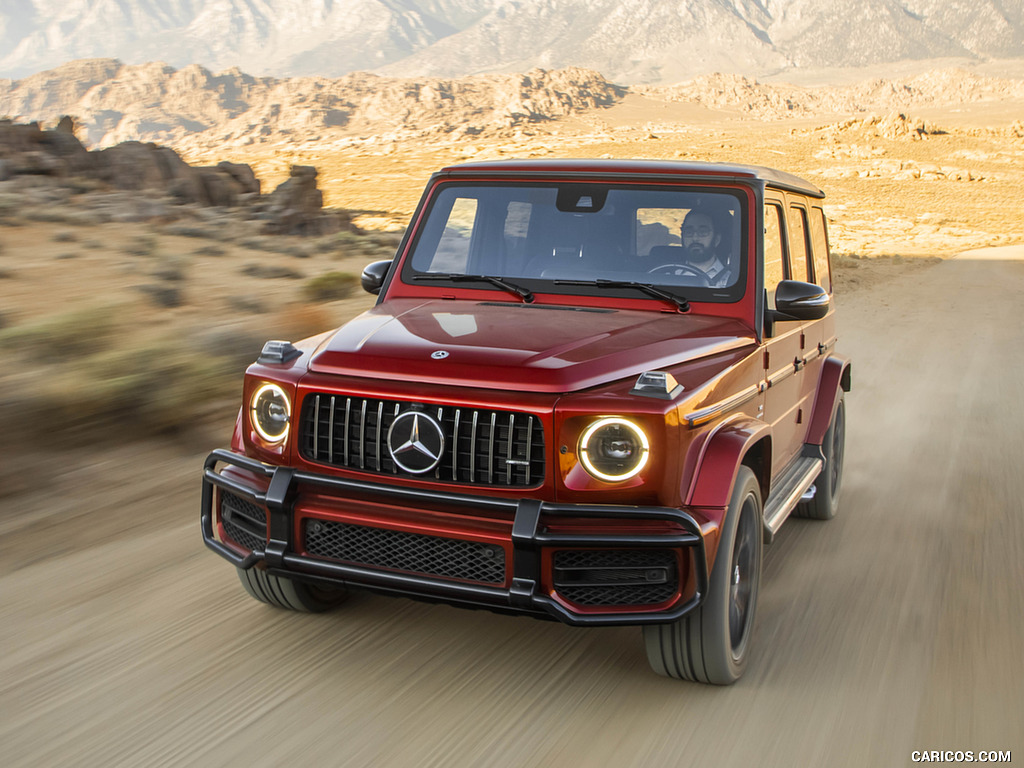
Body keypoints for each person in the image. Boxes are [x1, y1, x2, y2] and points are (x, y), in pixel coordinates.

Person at [679, 210, 732, 287]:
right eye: (689, 232)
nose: (695, 238)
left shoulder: (731, 281)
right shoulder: (666, 276)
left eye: (703, 232)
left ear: (717, 239)